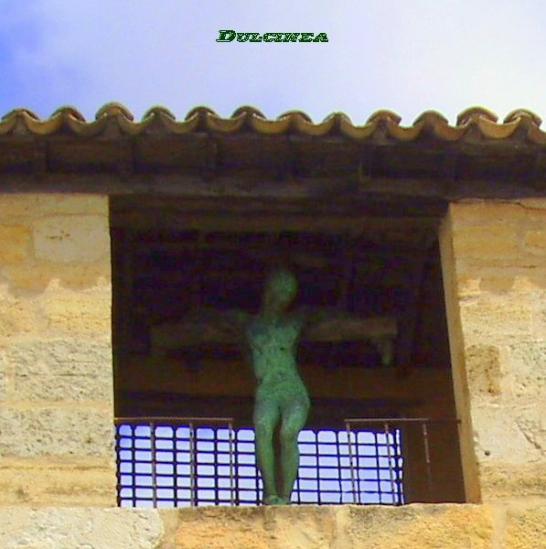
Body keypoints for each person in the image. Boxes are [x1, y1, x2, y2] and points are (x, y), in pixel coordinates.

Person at [152, 267, 396, 505]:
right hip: (266, 390)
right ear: (268, 289)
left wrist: (373, 331)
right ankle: (270, 494)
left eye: (288, 292)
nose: (283, 297)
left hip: (293, 390)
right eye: (280, 290)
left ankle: (286, 497)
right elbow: (210, 319)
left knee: (288, 433)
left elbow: (333, 319)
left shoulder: (296, 320)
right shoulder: (247, 324)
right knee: (262, 428)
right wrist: (171, 334)